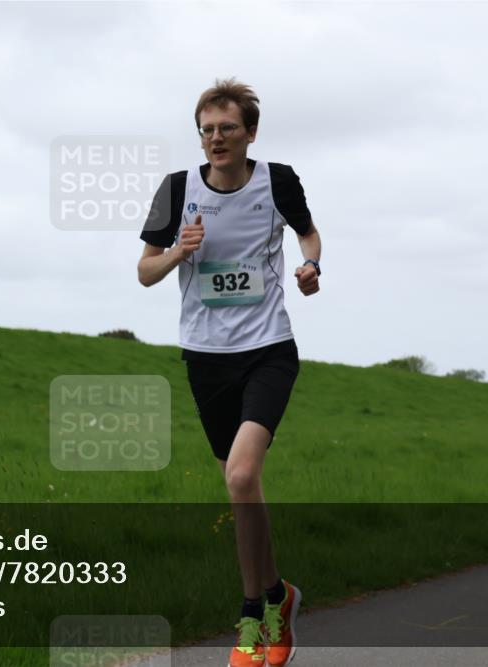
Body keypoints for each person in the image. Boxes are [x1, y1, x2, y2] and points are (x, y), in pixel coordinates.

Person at [137, 78, 322, 667]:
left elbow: (307, 234)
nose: (216, 138)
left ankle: (251, 618)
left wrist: (311, 266)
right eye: (207, 130)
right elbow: (144, 271)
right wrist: (178, 252)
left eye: (228, 129)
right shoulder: (176, 189)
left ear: (250, 134)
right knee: (243, 490)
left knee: (242, 477)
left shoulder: (278, 181)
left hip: (269, 349)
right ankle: (279, 596)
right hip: (205, 358)